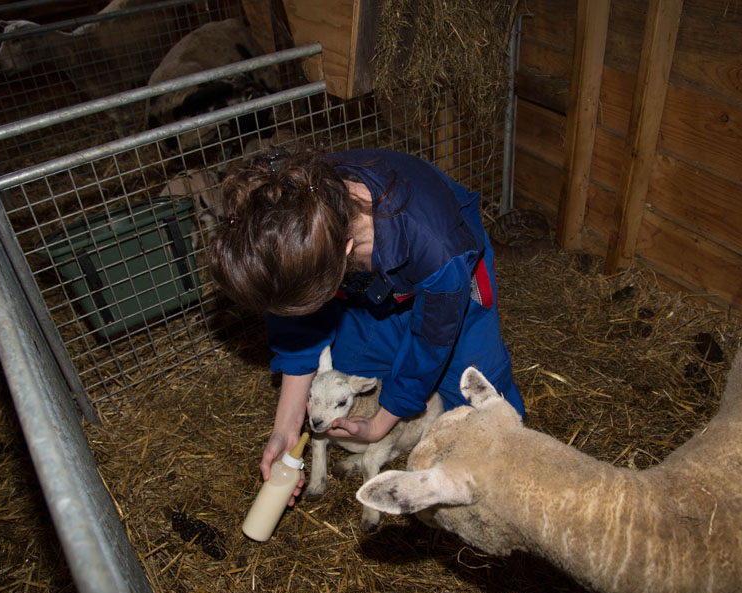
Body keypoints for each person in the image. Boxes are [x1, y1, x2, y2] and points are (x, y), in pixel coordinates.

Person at [208, 144, 525, 505]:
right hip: (370, 287)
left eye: (309, 301)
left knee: (482, 415)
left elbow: (433, 339)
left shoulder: (438, 246)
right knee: (345, 374)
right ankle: (384, 337)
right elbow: (297, 325)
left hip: (448, 288)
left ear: (343, 253)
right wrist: (286, 428)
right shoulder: (296, 209)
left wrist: (380, 422)